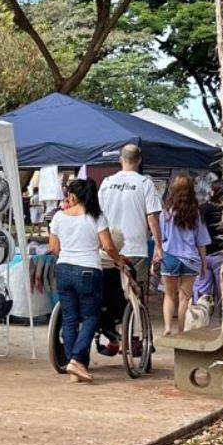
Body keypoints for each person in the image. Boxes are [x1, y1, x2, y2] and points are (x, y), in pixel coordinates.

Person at [49, 178, 124, 383]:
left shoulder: (58, 217)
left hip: (63, 269)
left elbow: (54, 248)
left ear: (73, 196)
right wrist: (119, 261)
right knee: (91, 317)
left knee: (70, 319)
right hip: (89, 270)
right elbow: (108, 246)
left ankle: (75, 366)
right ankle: (76, 359)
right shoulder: (96, 217)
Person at [97, 144, 163, 300]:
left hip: (110, 249)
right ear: (139, 160)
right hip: (136, 249)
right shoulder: (145, 183)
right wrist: (159, 245)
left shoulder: (106, 182)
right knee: (137, 295)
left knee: (111, 296)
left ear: (121, 160)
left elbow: (97, 215)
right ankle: (137, 321)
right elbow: (152, 217)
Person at [158, 174, 211, 337]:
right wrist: (203, 264)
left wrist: (157, 256)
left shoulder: (165, 213)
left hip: (170, 257)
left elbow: (161, 239)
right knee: (184, 298)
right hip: (190, 260)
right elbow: (201, 242)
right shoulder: (196, 214)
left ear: (172, 190)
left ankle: (167, 327)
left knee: (169, 295)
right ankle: (181, 331)